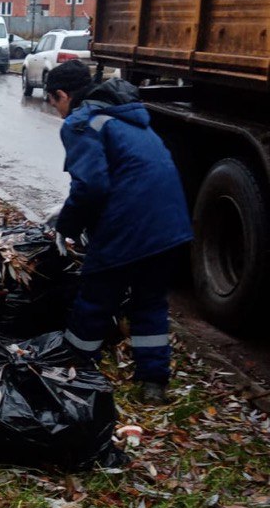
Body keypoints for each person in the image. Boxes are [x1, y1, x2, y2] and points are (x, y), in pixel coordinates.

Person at [44, 59, 193, 404]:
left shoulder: (82, 123)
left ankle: (76, 372)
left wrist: (66, 226)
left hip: (128, 226)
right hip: (170, 225)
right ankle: (154, 383)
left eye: (53, 102)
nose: (56, 112)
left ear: (63, 95)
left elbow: (92, 186)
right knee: (150, 302)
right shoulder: (128, 116)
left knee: (95, 299)